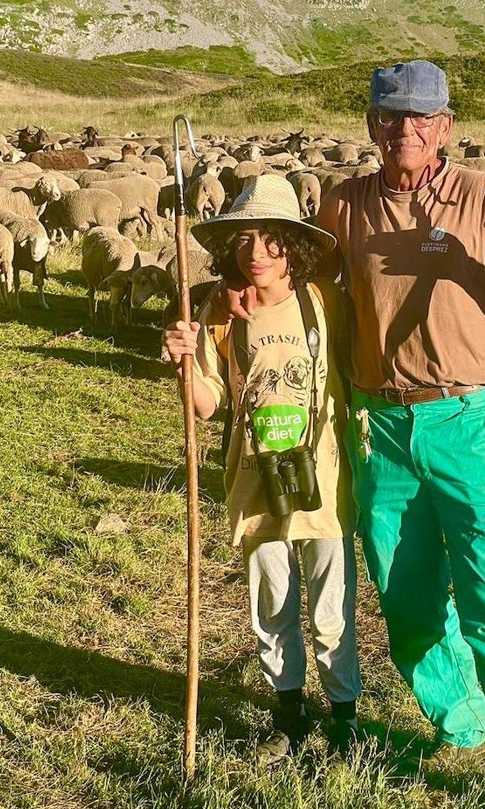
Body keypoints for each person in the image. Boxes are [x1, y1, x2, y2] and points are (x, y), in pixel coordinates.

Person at [223, 60, 485, 809]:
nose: (405, 133)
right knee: (409, 608)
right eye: (390, 120)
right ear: (371, 126)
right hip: (378, 427)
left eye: (421, 120)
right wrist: (236, 315)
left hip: (466, 423)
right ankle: (459, 717)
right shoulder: (344, 205)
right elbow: (306, 295)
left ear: (445, 127)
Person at [162, 174, 361, 765]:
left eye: (270, 240)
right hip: (253, 477)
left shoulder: (324, 302)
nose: (256, 254)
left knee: (332, 604)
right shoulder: (216, 314)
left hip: (322, 476)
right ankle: (290, 714)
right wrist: (183, 364)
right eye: (244, 240)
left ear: (291, 246)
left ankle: (345, 717)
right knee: (271, 599)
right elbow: (205, 404)